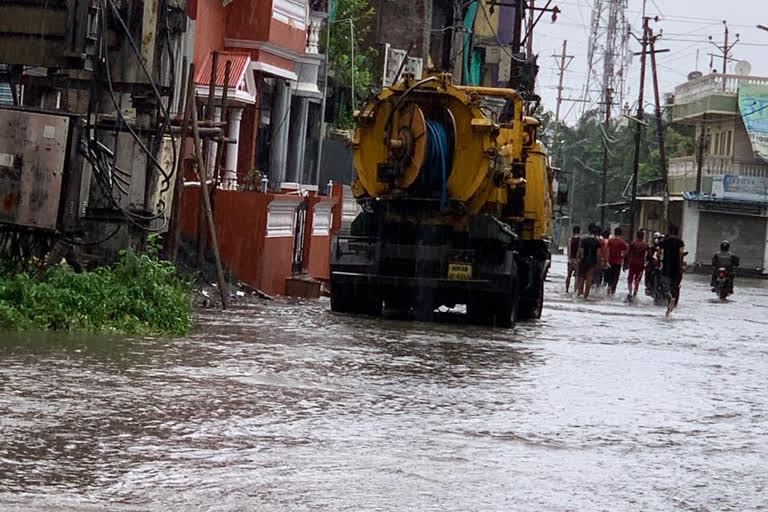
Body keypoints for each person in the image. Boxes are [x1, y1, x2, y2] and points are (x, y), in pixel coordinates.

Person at [659, 225, 686, 314]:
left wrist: (660, 260)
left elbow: (659, 253)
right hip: (676, 268)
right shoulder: (680, 242)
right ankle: (671, 306)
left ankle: (670, 299)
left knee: (665, 286)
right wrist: (681, 265)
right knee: (674, 287)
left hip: (666, 267)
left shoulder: (664, 241)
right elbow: (681, 253)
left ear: (669, 231)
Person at [576, 223, 603, 299]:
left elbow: (580, 251)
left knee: (581, 277)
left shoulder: (584, 240)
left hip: (583, 260)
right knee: (589, 278)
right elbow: (598, 254)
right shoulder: (597, 242)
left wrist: (578, 259)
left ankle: (579, 293)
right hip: (592, 261)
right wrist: (598, 263)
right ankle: (585, 296)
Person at [624, 230, 649, 299]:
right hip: (641, 264)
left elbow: (627, 253)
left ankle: (630, 293)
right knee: (637, 280)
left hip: (632, 263)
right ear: (643, 236)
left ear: (637, 236)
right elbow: (649, 255)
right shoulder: (646, 245)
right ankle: (634, 294)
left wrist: (625, 263)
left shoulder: (633, 243)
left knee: (630, 279)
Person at [606, 227, 628, 295]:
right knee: (615, 278)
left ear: (614, 233)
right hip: (618, 263)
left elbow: (607, 250)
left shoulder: (611, 241)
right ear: (621, 233)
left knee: (610, 277)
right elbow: (626, 251)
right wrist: (622, 256)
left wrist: (606, 260)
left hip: (610, 262)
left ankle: (608, 292)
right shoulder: (623, 242)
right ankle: (613, 292)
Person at [566, 225, 581, 294]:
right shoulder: (580, 240)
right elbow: (579, 250)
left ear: (573, 231)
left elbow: (569, 250)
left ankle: (567, 290)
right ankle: (575, 291)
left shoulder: (570, 239)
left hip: (570, 260)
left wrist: (569, 259)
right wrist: (577, 259)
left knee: (568, 276)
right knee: (577, 277)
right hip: (577, 261)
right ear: (579, 231)